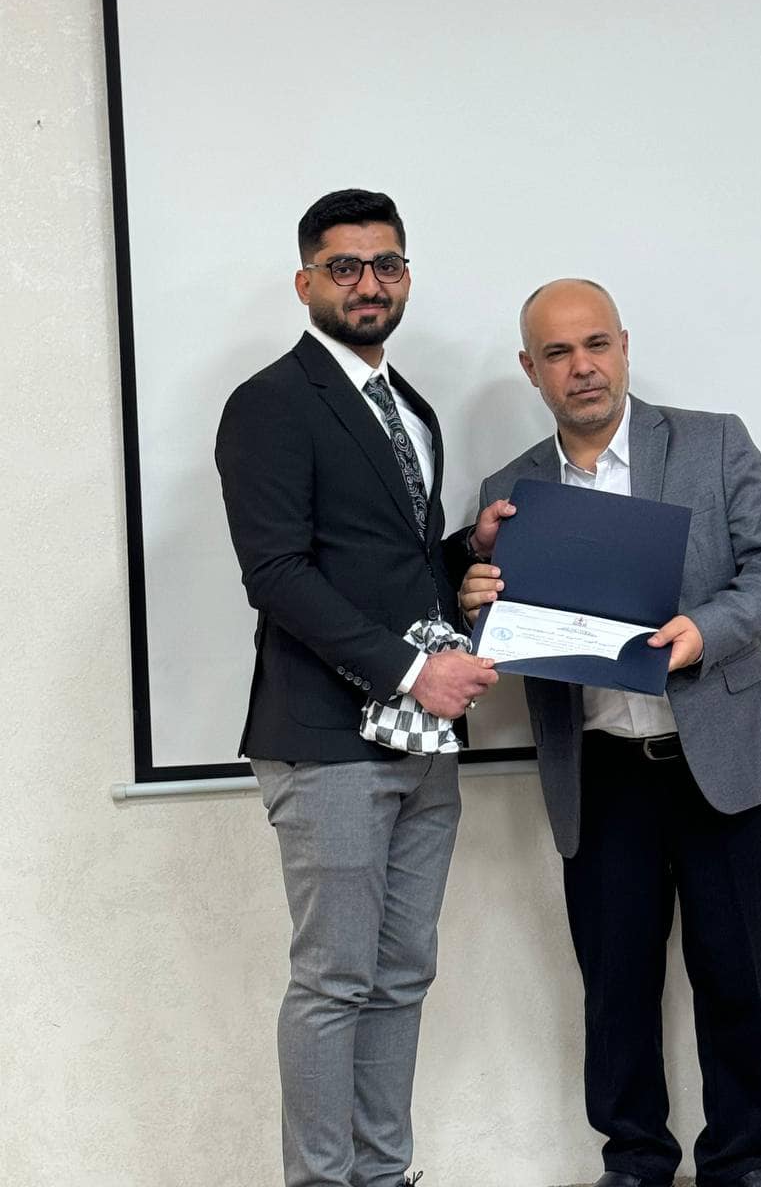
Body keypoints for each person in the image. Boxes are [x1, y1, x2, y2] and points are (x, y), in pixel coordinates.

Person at [461, 278, 761, 1187]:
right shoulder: (509, 494)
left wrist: (708, 630)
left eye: (596, 345)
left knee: (736, 974)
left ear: (623, 345)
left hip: (720, 759)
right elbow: (500, 628)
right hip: (601, 772)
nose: (582, 367)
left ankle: (743, 1160)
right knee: (615, 983)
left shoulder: (712, 442)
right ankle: (634, 1161)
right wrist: (475, 597)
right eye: (558, 353)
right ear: (531, 369)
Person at [216, 189, 497, 1187]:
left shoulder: (410, 406)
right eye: (344, 267)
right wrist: (418, 669)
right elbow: (278, 574)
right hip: (325, 737)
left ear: (406, 276)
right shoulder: (270, 403)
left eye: (386, 264)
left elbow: (389, 562)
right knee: (334, 980)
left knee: (402, 972)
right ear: (306, 283)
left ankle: (385, 1174)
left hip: (421, 742)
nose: (368, 283)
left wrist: (464, 550)